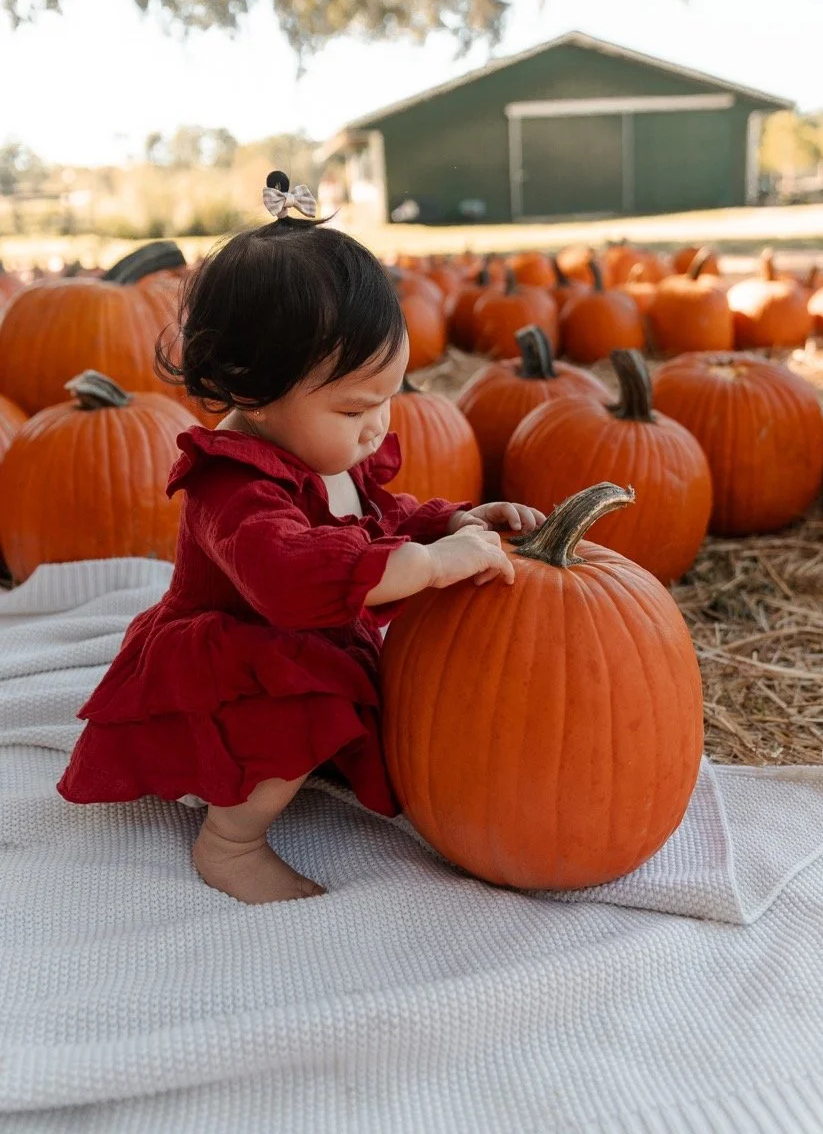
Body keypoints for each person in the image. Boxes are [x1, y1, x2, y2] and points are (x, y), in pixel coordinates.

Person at [57, 172, 546, 905]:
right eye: (356, 407)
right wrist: (423, 565)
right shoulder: (232, 485)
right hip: (239, 655)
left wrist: (448, 522)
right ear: (252, 388)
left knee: (331, 684)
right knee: (297, 700)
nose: (378, 424)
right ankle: (231, 843)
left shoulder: (322, 449)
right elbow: (288, 576)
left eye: (389, 396)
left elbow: (371, 517)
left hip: (301, 635)